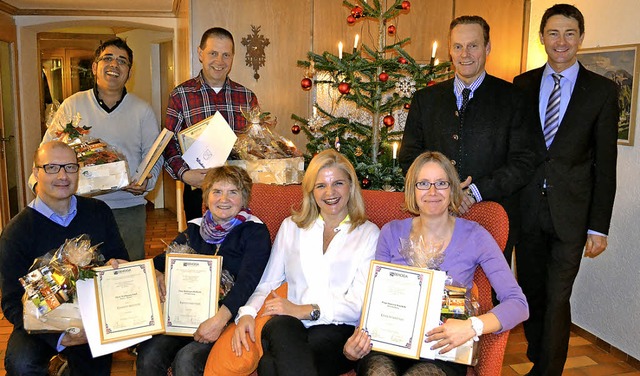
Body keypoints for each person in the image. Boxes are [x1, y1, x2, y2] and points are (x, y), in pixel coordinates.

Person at [343, 151, 528, 376]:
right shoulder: (391, 232)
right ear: (412, 189)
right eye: (423, 183)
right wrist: (357, 339)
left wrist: (472, 326)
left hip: (444, 348)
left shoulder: (475, 236)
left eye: (441, 183)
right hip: (388, 344)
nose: (432, 192)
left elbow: (518, 304)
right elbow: (374, 297)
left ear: (453, 189)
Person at [512, 4, 619, 376]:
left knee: (558, 297)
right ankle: (538, 358)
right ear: (541, 37)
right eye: (553, 33)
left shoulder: (602, 92)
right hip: (527, 212)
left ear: (581, 39)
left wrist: (598, 226)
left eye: (570, 33)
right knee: (532, 294)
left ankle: (546, 372)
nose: (561, 41)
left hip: (571, 216)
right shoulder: (521, 85)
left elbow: (606, 166)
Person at [398, 15, 538, 264]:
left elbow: (524, 162)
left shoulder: (515, 99)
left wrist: (474, 192)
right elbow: (409, 157)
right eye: (458, 46)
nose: (465, 54)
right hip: (434, 219)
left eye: (473, 45)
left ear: (487, 48)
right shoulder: (425, 100)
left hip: (493, 217)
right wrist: (445, 191)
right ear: (449, 50)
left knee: (489, 296)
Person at [232, 149, 380, 376]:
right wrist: (247, 314)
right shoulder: (291, 227)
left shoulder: (368, 233)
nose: (330, 192)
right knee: (282, 325)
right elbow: (267, 283)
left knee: (269, 366)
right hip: (286, 325)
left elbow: (358, 304)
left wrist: (303, 310)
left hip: (337, 331)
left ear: (351, 186)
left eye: (338, 183)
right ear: (311, 191)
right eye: (321, 185)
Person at [0, 141, 129, 376]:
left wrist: (117, 267)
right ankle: (60, 357)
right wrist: (60, 337)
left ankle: (65, 366)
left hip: (91, 320)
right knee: (21, 364)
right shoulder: (16, 232)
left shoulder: (98, 212)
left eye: (70, 167)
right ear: (35, 172)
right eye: (51, 167)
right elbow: (11, 301)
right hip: (40, 324)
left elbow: (120, 258)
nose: (62, 176)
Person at [136, 165, 271, 375]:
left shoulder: (255, 232)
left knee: (187, 359)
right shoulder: (195, 229)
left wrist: (219, 320)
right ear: (206, 197)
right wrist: (158, 273)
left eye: (232, 192)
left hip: (230, 317)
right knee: (149, 354)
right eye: (217, 191)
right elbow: (159, 261)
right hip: (186, 316)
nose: (223, 199)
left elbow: (248, 282)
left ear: (244, 199)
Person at [36, 37, 162, 261]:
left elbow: (154, 157)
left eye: (122, 61)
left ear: (129, 73)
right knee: (83, 273)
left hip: (128, 208)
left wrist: (145, 183)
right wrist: (38, 184)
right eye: (108, 58)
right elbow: (49, 149)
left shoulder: (142, 110)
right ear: (95, 67)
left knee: (127, 272)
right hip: (80, 209)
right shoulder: (72, 105)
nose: (115, 65)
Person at [163, 27, 259, 221]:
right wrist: (185, 174)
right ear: (200, 53)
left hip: (238, 193)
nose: (219, 61)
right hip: (198, 191)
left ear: (232, 57)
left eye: (226, 55)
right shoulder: (180, 95)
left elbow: (256, 144)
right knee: (201, 247)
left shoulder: (247, 97)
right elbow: (168, 144)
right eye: (213, 53)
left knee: (239, 246)